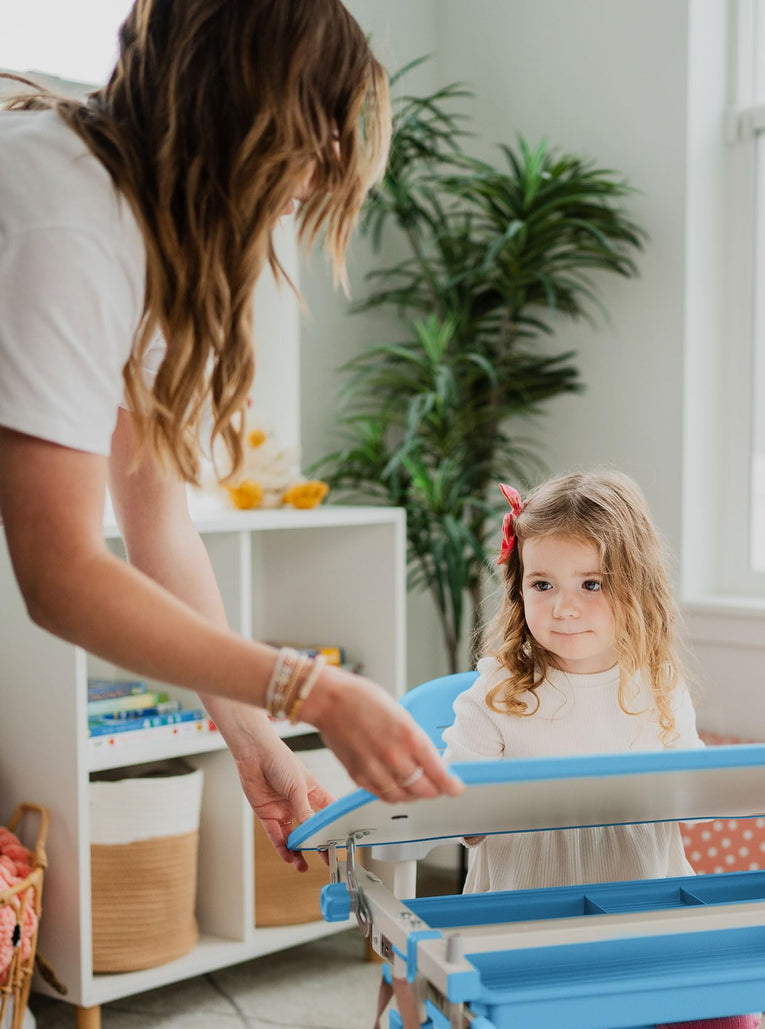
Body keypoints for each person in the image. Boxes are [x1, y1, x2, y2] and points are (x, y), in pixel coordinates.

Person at [0, 0, 463, 872]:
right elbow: (57, 574)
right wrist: (311, 689)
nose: (318, 179)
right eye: (316, 139)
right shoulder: (67, 212)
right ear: (245, 111)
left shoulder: (147, 242)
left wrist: (253, 737)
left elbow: (157, 528)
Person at [442, 471, 760, 1029]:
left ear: (635, 586)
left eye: (591, 583)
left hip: (646, 919)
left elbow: (686, 801)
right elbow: (457, 817)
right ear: (517, 588)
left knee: (730, 1028)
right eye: (542, 584)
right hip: (532, 931)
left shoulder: (656, 687)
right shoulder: (494, 694)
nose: (565, 607)